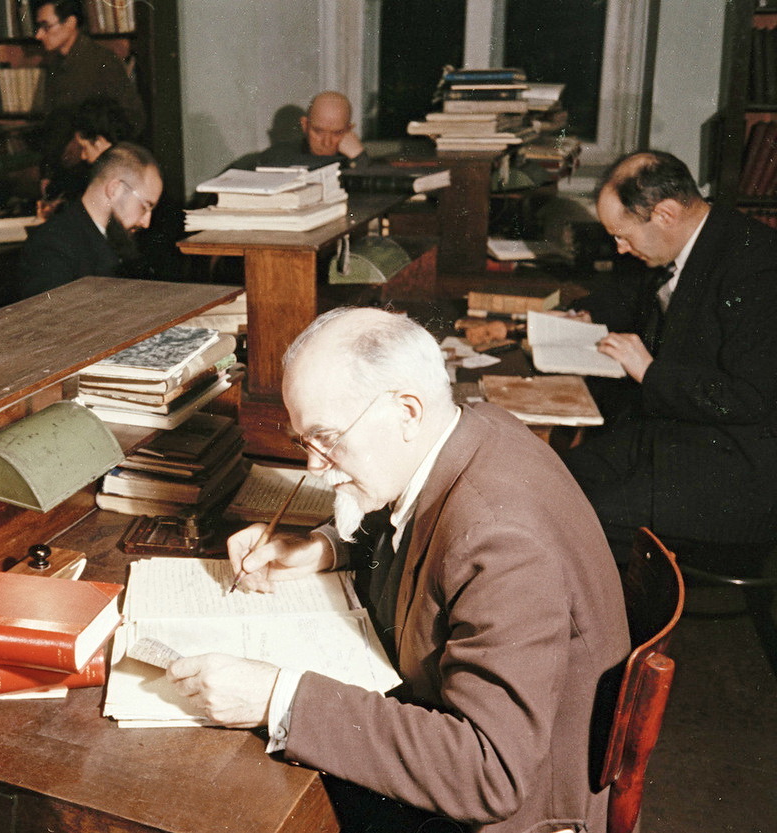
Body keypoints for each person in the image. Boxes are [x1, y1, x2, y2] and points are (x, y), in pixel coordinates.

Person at [166, 307, 629, 832]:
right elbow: (412, 517)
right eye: (304, 442)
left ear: (407, 411)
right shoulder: (470, 427)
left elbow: (489, 773)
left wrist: (277, 697)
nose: (315, 466)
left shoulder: (501, 542)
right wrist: (323, 548)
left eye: (328, 438)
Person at [562, 150, 777, 552]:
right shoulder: (699, 241)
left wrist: (649, 371)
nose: (621, 248)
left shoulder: (756, 265)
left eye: (622, 235)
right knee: (542, 479)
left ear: (665, 214)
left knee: (562, 517)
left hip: (734, 470)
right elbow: (640, 297)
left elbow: (751, 398)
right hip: (674, 437)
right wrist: (587, 314)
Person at [17, 142, 161, 298]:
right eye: (145, 206)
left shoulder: (112, 236)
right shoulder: (52, 246)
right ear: (115, 190)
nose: (146, 222)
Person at [32, 0, 144, 134]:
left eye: (46, 26)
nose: (38, 35)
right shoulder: (55, 63)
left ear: (70, 23)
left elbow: (133, 119)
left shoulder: (102, 61)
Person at [256, 91, 368, 169]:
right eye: (318, 131)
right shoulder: (280, 155)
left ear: (349, 130)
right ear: (305, 125)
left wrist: (359, 157)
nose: (326, 142)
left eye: (337, 133)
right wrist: (359, 161)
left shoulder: (353, 158)